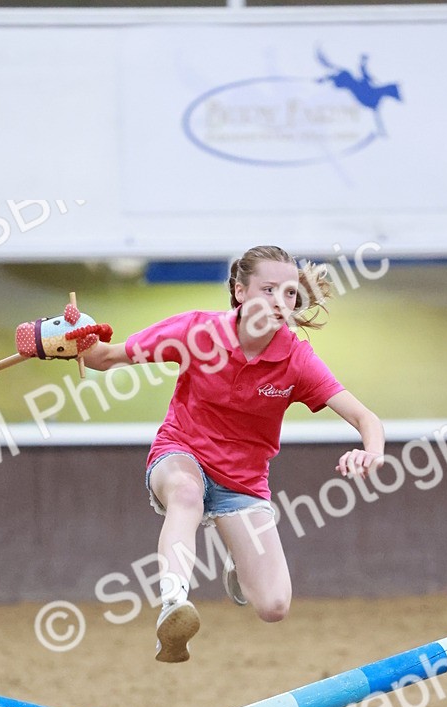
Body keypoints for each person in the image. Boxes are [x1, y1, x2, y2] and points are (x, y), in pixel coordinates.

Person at [83, 244, 385, 663]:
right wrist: (70, 341)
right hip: (180, 453)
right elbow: (105, 357)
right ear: (240, 292)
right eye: (268, 289)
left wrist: (371, 453)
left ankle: (238, 562)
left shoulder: (296, 359)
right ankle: (174, 605)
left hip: (241, 481)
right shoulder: (196, 332)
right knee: (187, 495)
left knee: (274, 607)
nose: (282, 302)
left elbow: (366, 418)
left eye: (291, 293)